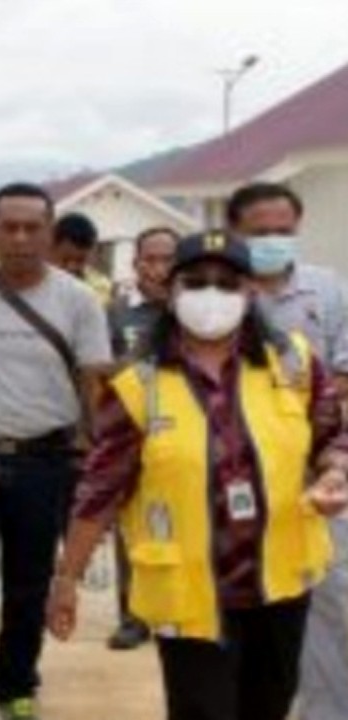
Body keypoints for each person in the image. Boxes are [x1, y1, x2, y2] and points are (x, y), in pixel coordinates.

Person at [48, 231, 348, 720]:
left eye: (227, 283)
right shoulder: (137, 386)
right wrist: (68, 578)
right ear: (172, 291)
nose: (212, 294)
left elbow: (333, 435)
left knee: (268, 706)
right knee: (202, 711)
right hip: (188, 593)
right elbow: (100, 489)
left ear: (250, 292)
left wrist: (335, 471)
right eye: (196, 282)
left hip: (281, 585)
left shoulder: (293, 363)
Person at [0, 183, 112, 720]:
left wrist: (95, 461)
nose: (19, 238)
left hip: (46, 462)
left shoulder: (78, 300)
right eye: (7, 227)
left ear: (50, 233)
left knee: (29, 580)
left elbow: (95, 383)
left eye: (32, 228)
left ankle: (16, 682)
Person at [224, 182, 348, 720]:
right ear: (235, 233)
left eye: (283, 231)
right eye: (260, 233)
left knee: (330, 594)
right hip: (236, 479)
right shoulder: (216, 292)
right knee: (248, 602)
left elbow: (343, 376)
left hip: (319, 473)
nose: (274, 241)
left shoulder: (329, 290)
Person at [104, 226, 180, 651]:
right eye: (150, 259)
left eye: (168, 259)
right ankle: (133, 616)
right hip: (133, 436)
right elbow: (103, 373)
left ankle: (179, 608)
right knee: (131, 528)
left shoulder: (195, 308)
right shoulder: (116, 313)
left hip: (187, 434)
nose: (158, 268)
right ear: (135, 265)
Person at [52, 212, 114, 305]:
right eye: (65, 260)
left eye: (80, 261)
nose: (71, 267)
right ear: (52, 249)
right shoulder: (36, 282)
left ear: (93, 254)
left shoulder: (102, 289)